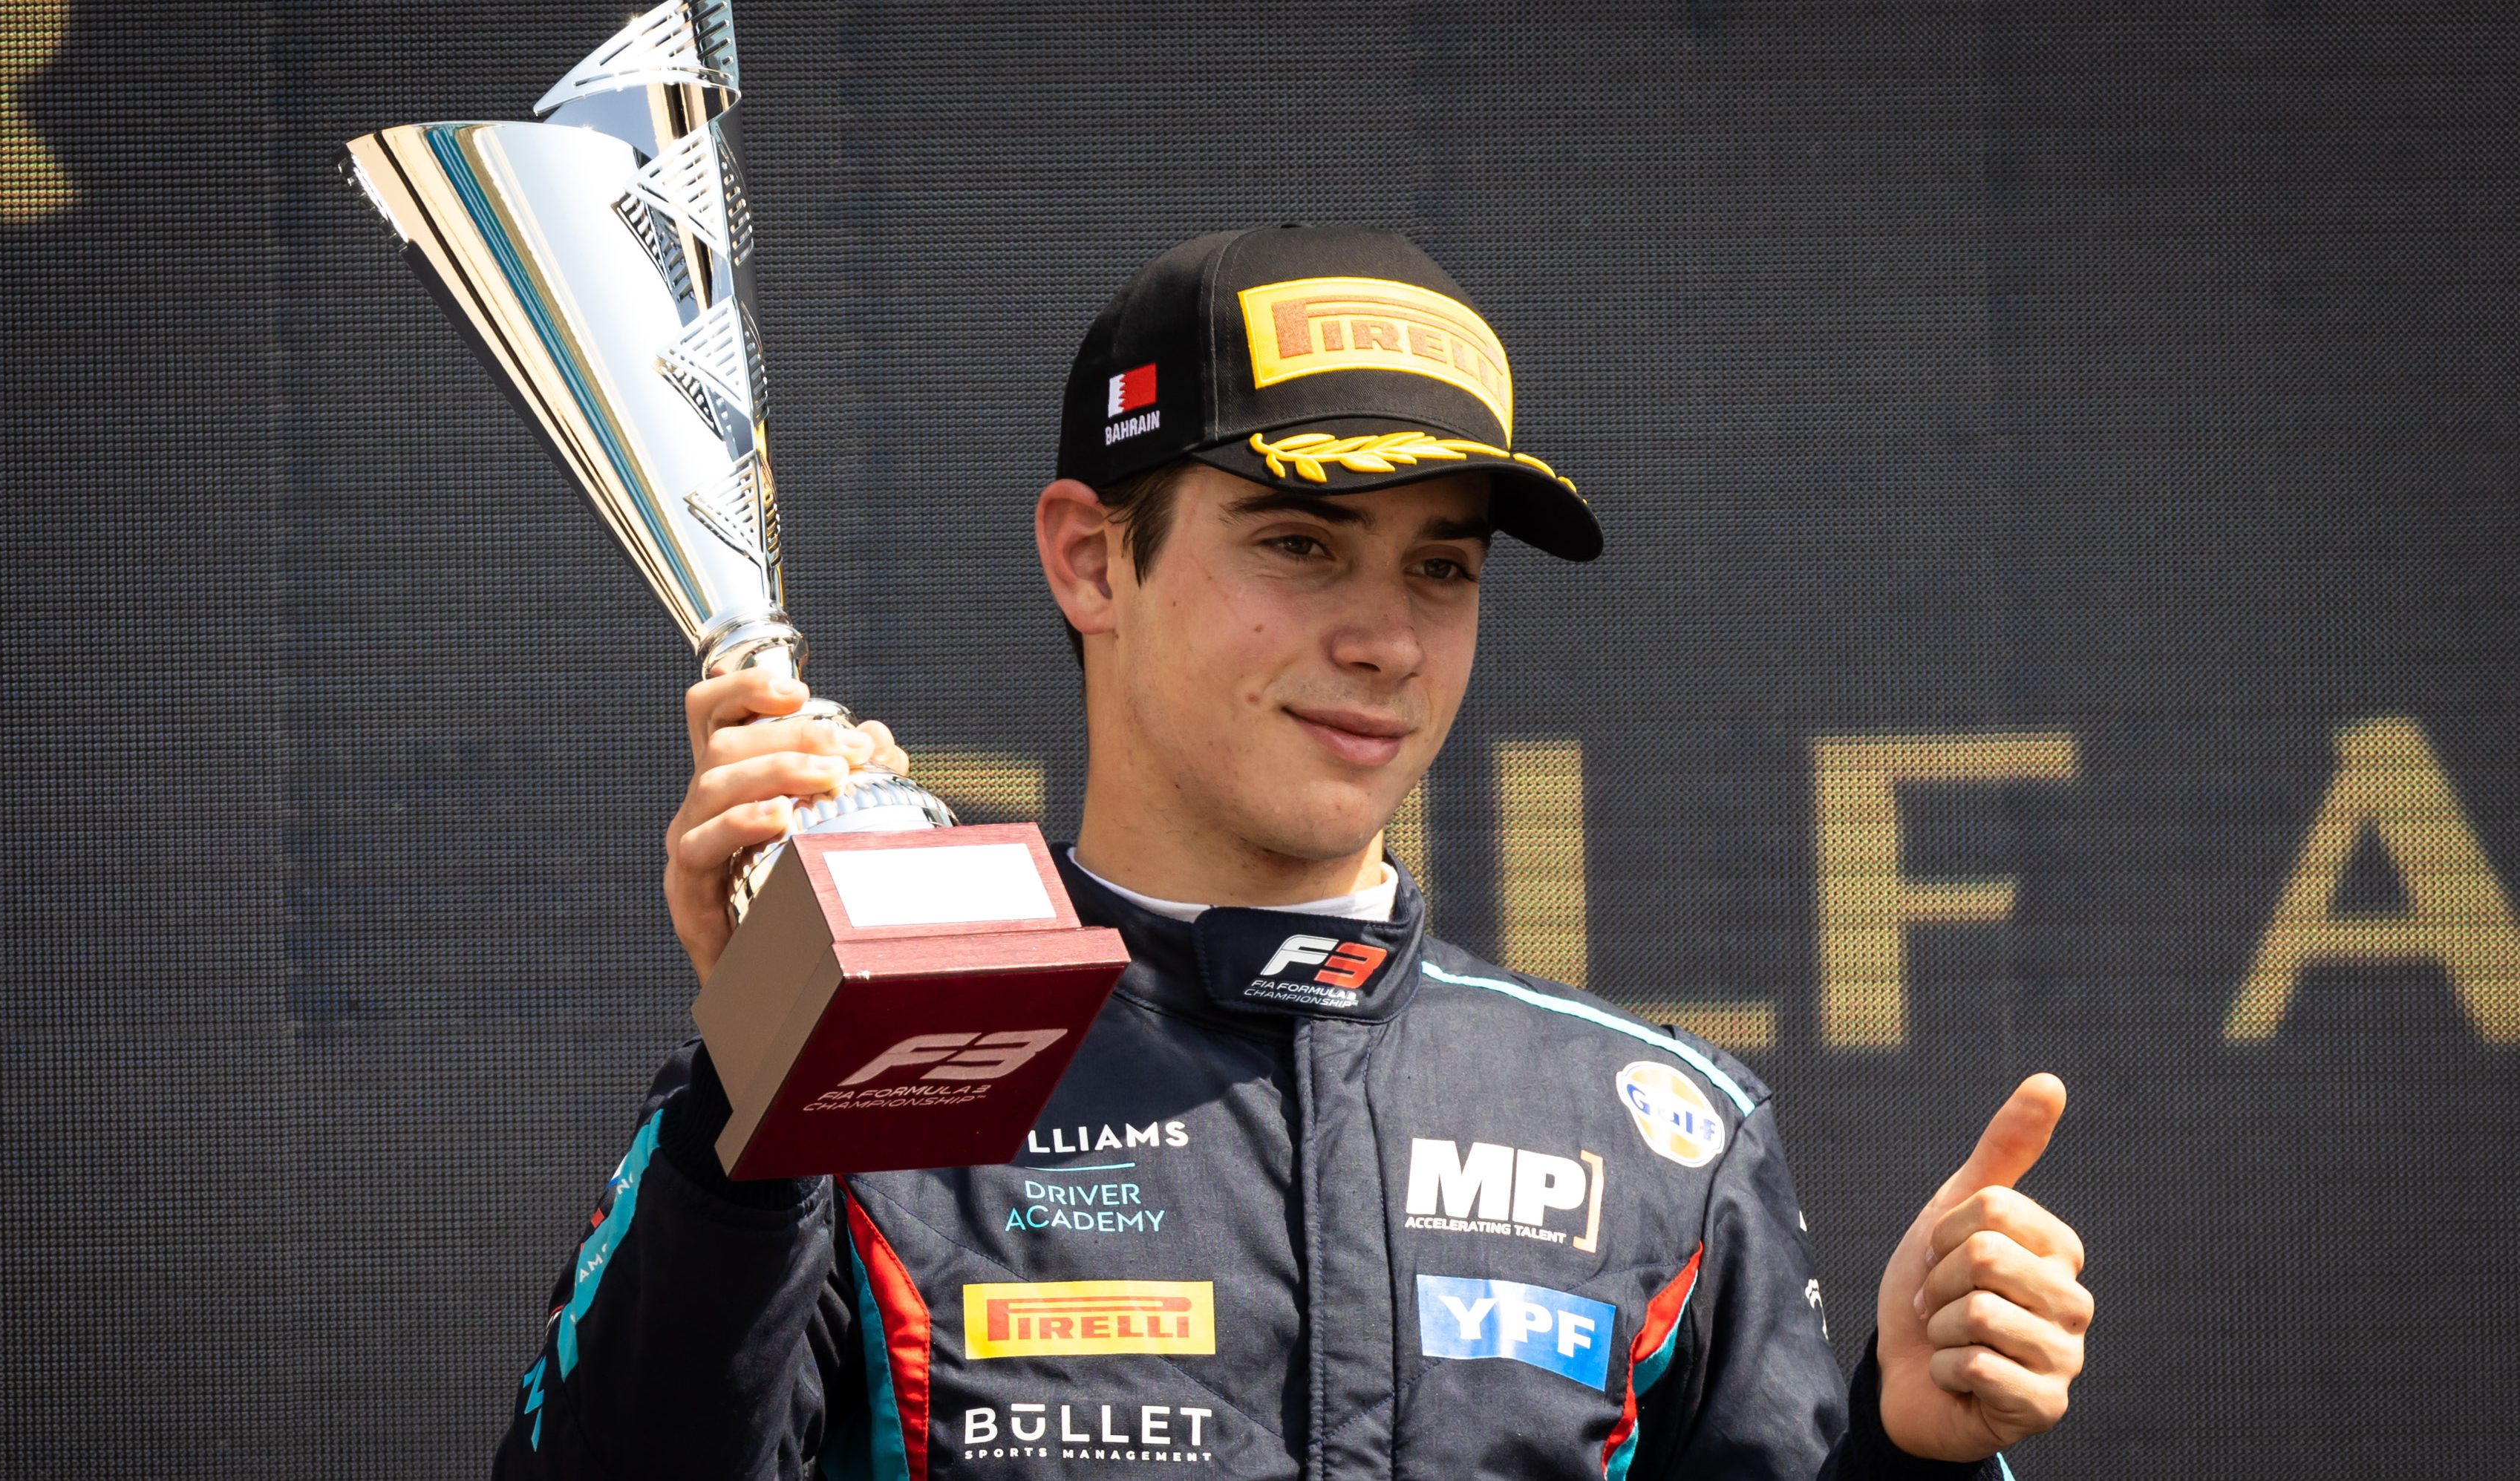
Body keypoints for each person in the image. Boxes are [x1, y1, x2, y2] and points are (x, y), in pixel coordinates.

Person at [496, 226, 2092, 1480]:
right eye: (1299, 542)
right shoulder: (882, 1064)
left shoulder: (1652, 1132)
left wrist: (1914, 1444)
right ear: (1086, 558)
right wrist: (762, 1081)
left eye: (1442, 565)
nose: (1386, 637)